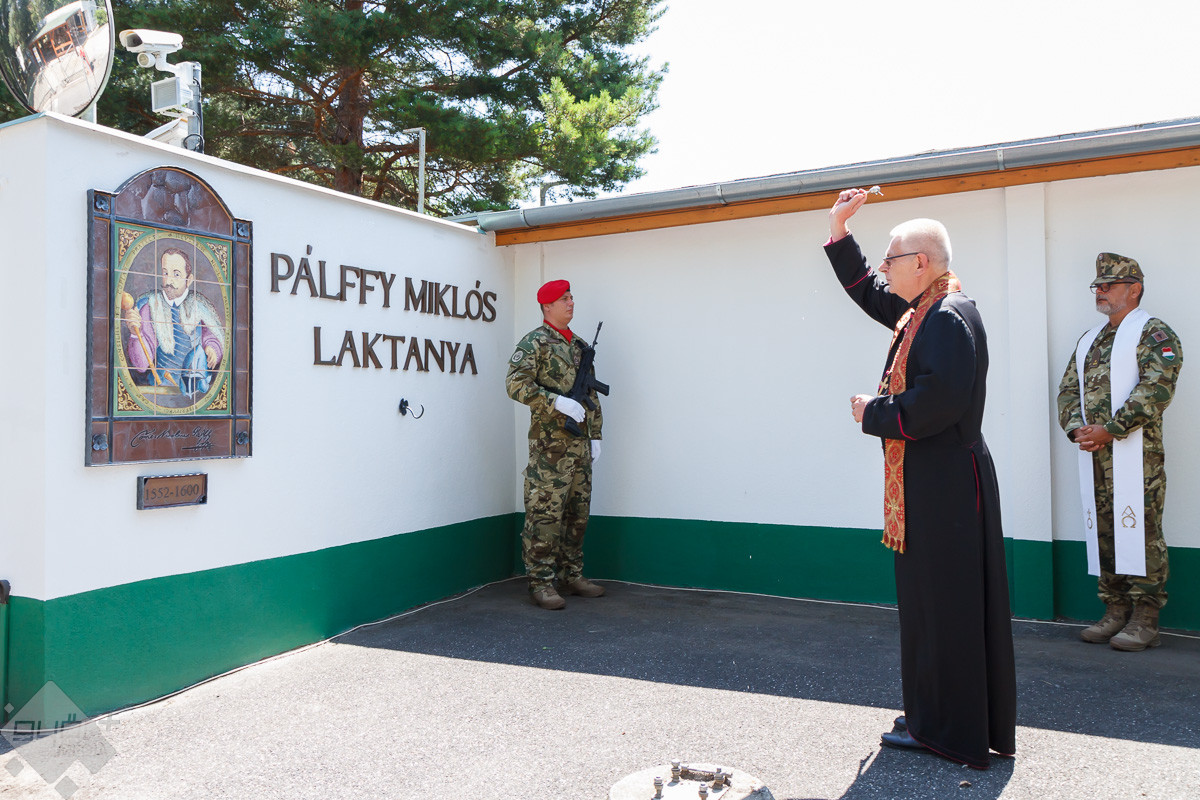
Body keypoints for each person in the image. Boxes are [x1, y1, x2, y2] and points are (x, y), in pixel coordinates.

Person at [824, 188, 1016, 769]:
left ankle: (950, 732)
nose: (884, 268)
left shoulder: (948, 317)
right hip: (933, 481)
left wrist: (874, 412)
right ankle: (936, 716)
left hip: (945, 485)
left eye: (892, 258)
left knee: (946, 607)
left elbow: (939, 403)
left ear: (922, 263)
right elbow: (868, 292)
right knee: (931, 606)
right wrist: (839, 231)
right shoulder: (925, 309)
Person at [1057, 254, 1182, 651]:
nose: (1100, 291)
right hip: (1094, 454)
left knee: (1142, 529)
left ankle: (1145, 618)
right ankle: (1115, 609)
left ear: (1134, 288)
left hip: (1137, 456)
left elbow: (1156, 389)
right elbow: (1068, 390)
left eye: (1108, 285)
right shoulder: (1090, 340)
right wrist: (1077, 429)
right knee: (1104, 528)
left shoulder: (1153, 333)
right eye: (1097, 285)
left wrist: (1110, 430)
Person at [506, 280, 606, 610]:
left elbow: (590, 394)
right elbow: (515, 384)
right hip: (550, 447)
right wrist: (555, 402)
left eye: (572, 297)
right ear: (547, 306)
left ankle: (571, 575)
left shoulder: (579, 345)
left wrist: (595, 434)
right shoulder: (534, 342)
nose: (571, 302)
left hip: (579, 445)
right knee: (545, 516)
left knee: (578, 515)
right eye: (564, 299)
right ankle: (541, 583)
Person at [123, 247, 224, 395]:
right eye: (165, 273)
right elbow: (141, 365)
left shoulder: (200, 306)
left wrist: (212, 349)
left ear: (189, 280)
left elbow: (211, 336)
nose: (169, 281)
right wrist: (135, 334)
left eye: (176, 274)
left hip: (195, 389)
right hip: (161, 388)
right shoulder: (148, 306)